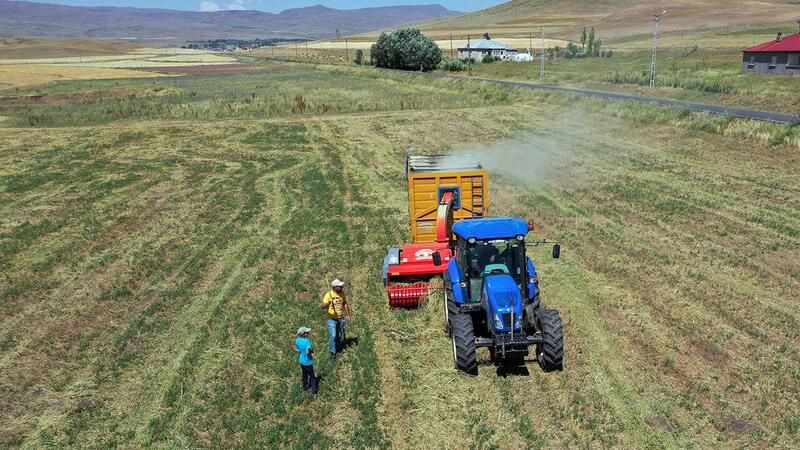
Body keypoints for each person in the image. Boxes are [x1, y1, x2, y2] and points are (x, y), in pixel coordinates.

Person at [320, 279, 351, 359]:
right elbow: (322, 306)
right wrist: (327, 304)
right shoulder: (328, 295)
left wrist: (348, 315)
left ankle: (338, 349)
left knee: (339, 335)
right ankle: (332, 352)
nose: (342, 287)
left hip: (340, 318)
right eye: (340, 286)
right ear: (335, 287)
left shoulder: (342, 294)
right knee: (333, 335)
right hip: (331, 319)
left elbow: (345, 304)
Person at [294, 326, 318, 396]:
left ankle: (305, 388)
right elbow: (308, 352)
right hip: (308, 362)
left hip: (301, 361)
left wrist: (301, 351)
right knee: (312, 377)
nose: (308, 333)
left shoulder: (297, 340)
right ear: (304, 334)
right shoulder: (307, 341)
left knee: (304, 375)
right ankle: (314, 392)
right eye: (307, 332)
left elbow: (296, 349)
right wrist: (312, 350)